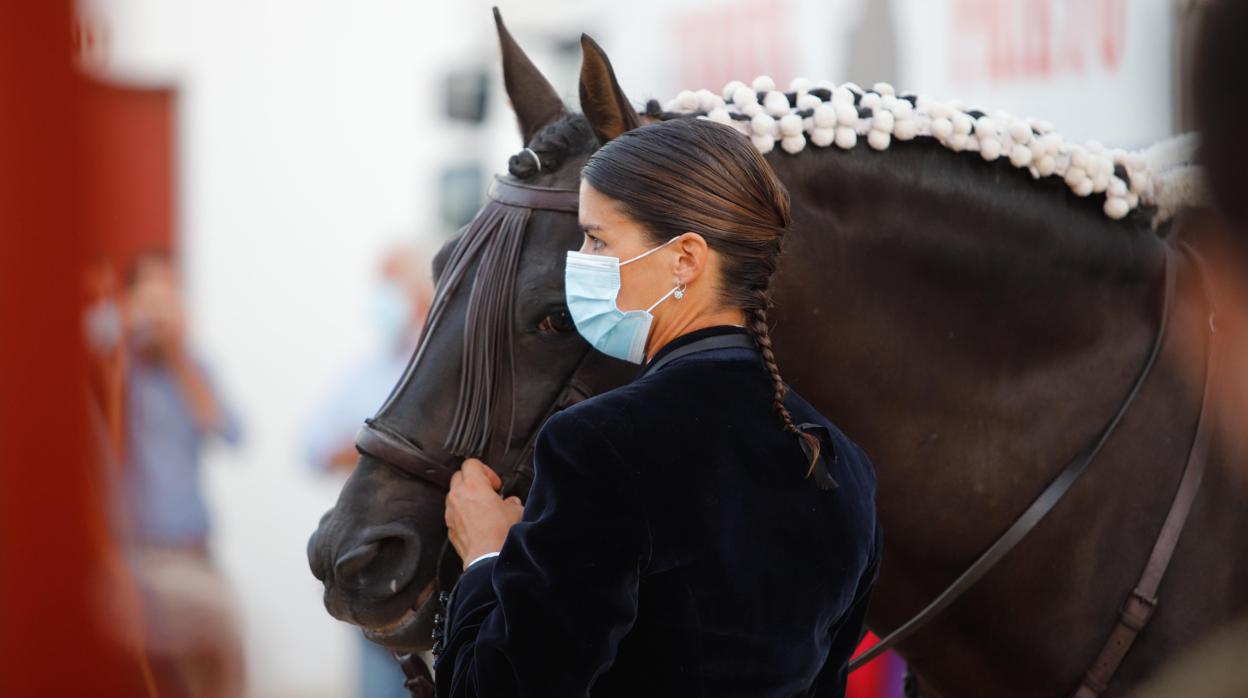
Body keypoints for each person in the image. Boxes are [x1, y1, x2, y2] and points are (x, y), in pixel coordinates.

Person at [434, 117, 882, 697]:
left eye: (598, 239)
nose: (582, 259)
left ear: (685, 260)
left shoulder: (597, 444)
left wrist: (487, 558)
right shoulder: (846, 465)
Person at [299, 243, 433, 698]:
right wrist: (377, 452)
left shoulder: (444, 370)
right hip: (370, 559)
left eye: (391, 283)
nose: (382, 297)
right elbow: (312, 446)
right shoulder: (366, 370)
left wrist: (366, 447)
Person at [120, 249, 246, 698]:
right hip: (139, 557)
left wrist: (178, 357)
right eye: (149, 297)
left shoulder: (193, 367)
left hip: (194, 551)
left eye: (169, 296)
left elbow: (232, 433)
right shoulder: (118, 370)